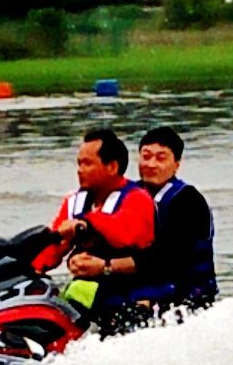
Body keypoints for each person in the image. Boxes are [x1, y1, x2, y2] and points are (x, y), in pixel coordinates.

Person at [35, 127, 156, 324]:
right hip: (89, 296)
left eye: (87, 163)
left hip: (134, 298)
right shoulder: (73, 202)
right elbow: (50, 250)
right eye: (79, 163)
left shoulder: (137, 199)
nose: (80, 170)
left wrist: (87, 224)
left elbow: (125, 234)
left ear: (112, 167)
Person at [119, 125, 217, 319]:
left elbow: (172, 259)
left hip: (186, 298)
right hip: (139, 295)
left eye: (161, 158)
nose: (151, 164)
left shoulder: (189, 200)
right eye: (146, 156)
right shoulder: (127, 196)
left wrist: (107, 266)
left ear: (176, 164)